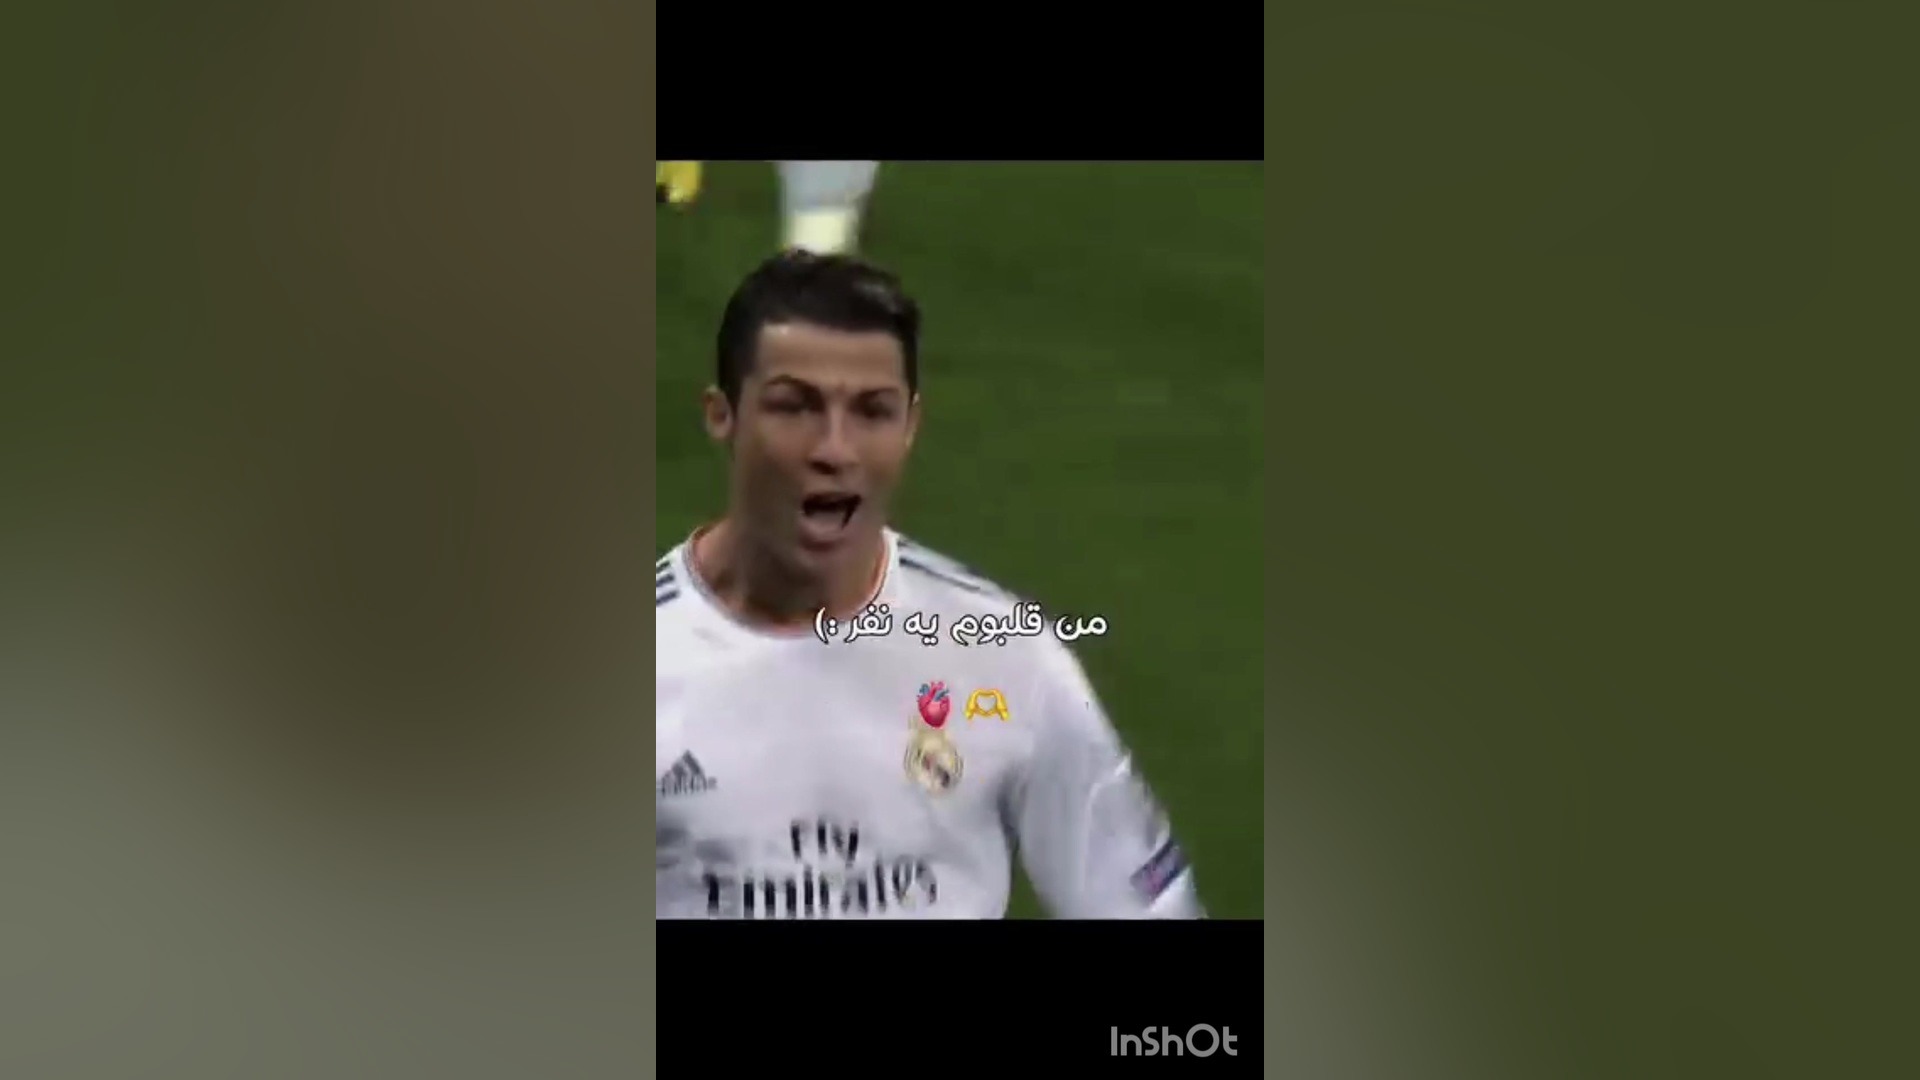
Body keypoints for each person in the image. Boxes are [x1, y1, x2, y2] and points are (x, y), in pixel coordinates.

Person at [655, 251, 1203, 919]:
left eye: (872, 411)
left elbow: (1142, 904)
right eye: (794, 407)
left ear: (911, 425)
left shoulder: (1001, 655)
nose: (834, 449)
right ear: (723, 415)